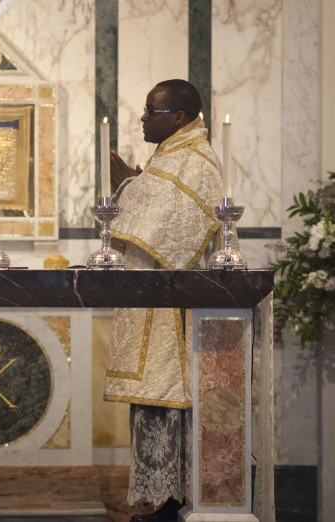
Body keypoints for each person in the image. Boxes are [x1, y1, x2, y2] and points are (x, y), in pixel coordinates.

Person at [105, 79, 223, 522]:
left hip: (178, 314)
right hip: (157, 304)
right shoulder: (171, 156)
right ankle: (165, 501)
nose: (142, 118)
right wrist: (136, 186)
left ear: (178, 116)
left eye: (151, 111)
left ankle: (177, 502)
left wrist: (127, 191)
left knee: (174, 407)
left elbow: (168, 233)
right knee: (155, 406)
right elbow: (158, 213)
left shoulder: (195, 160)